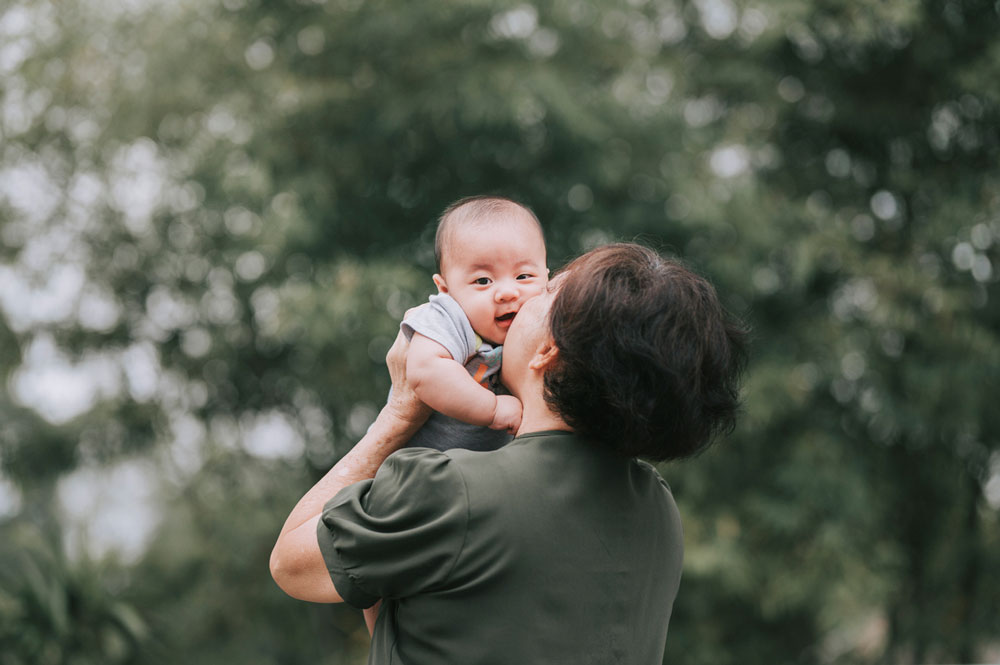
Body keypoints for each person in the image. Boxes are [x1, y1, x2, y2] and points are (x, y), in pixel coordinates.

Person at [270, 243, 748, 665]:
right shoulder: (658, 507)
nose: (517, 298)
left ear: (549, 351)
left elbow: (292, 563)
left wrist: (399, 415)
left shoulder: (449, 489)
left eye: (543, 291)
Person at [398, 195, 548, 452]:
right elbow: (424, 370)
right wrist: (493, 409)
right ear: (445, 289)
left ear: (547, 277)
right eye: (483, 281)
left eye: (523, 276)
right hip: (416, 468)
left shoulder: (545, 317)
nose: (507, 292)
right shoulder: (449, 317)